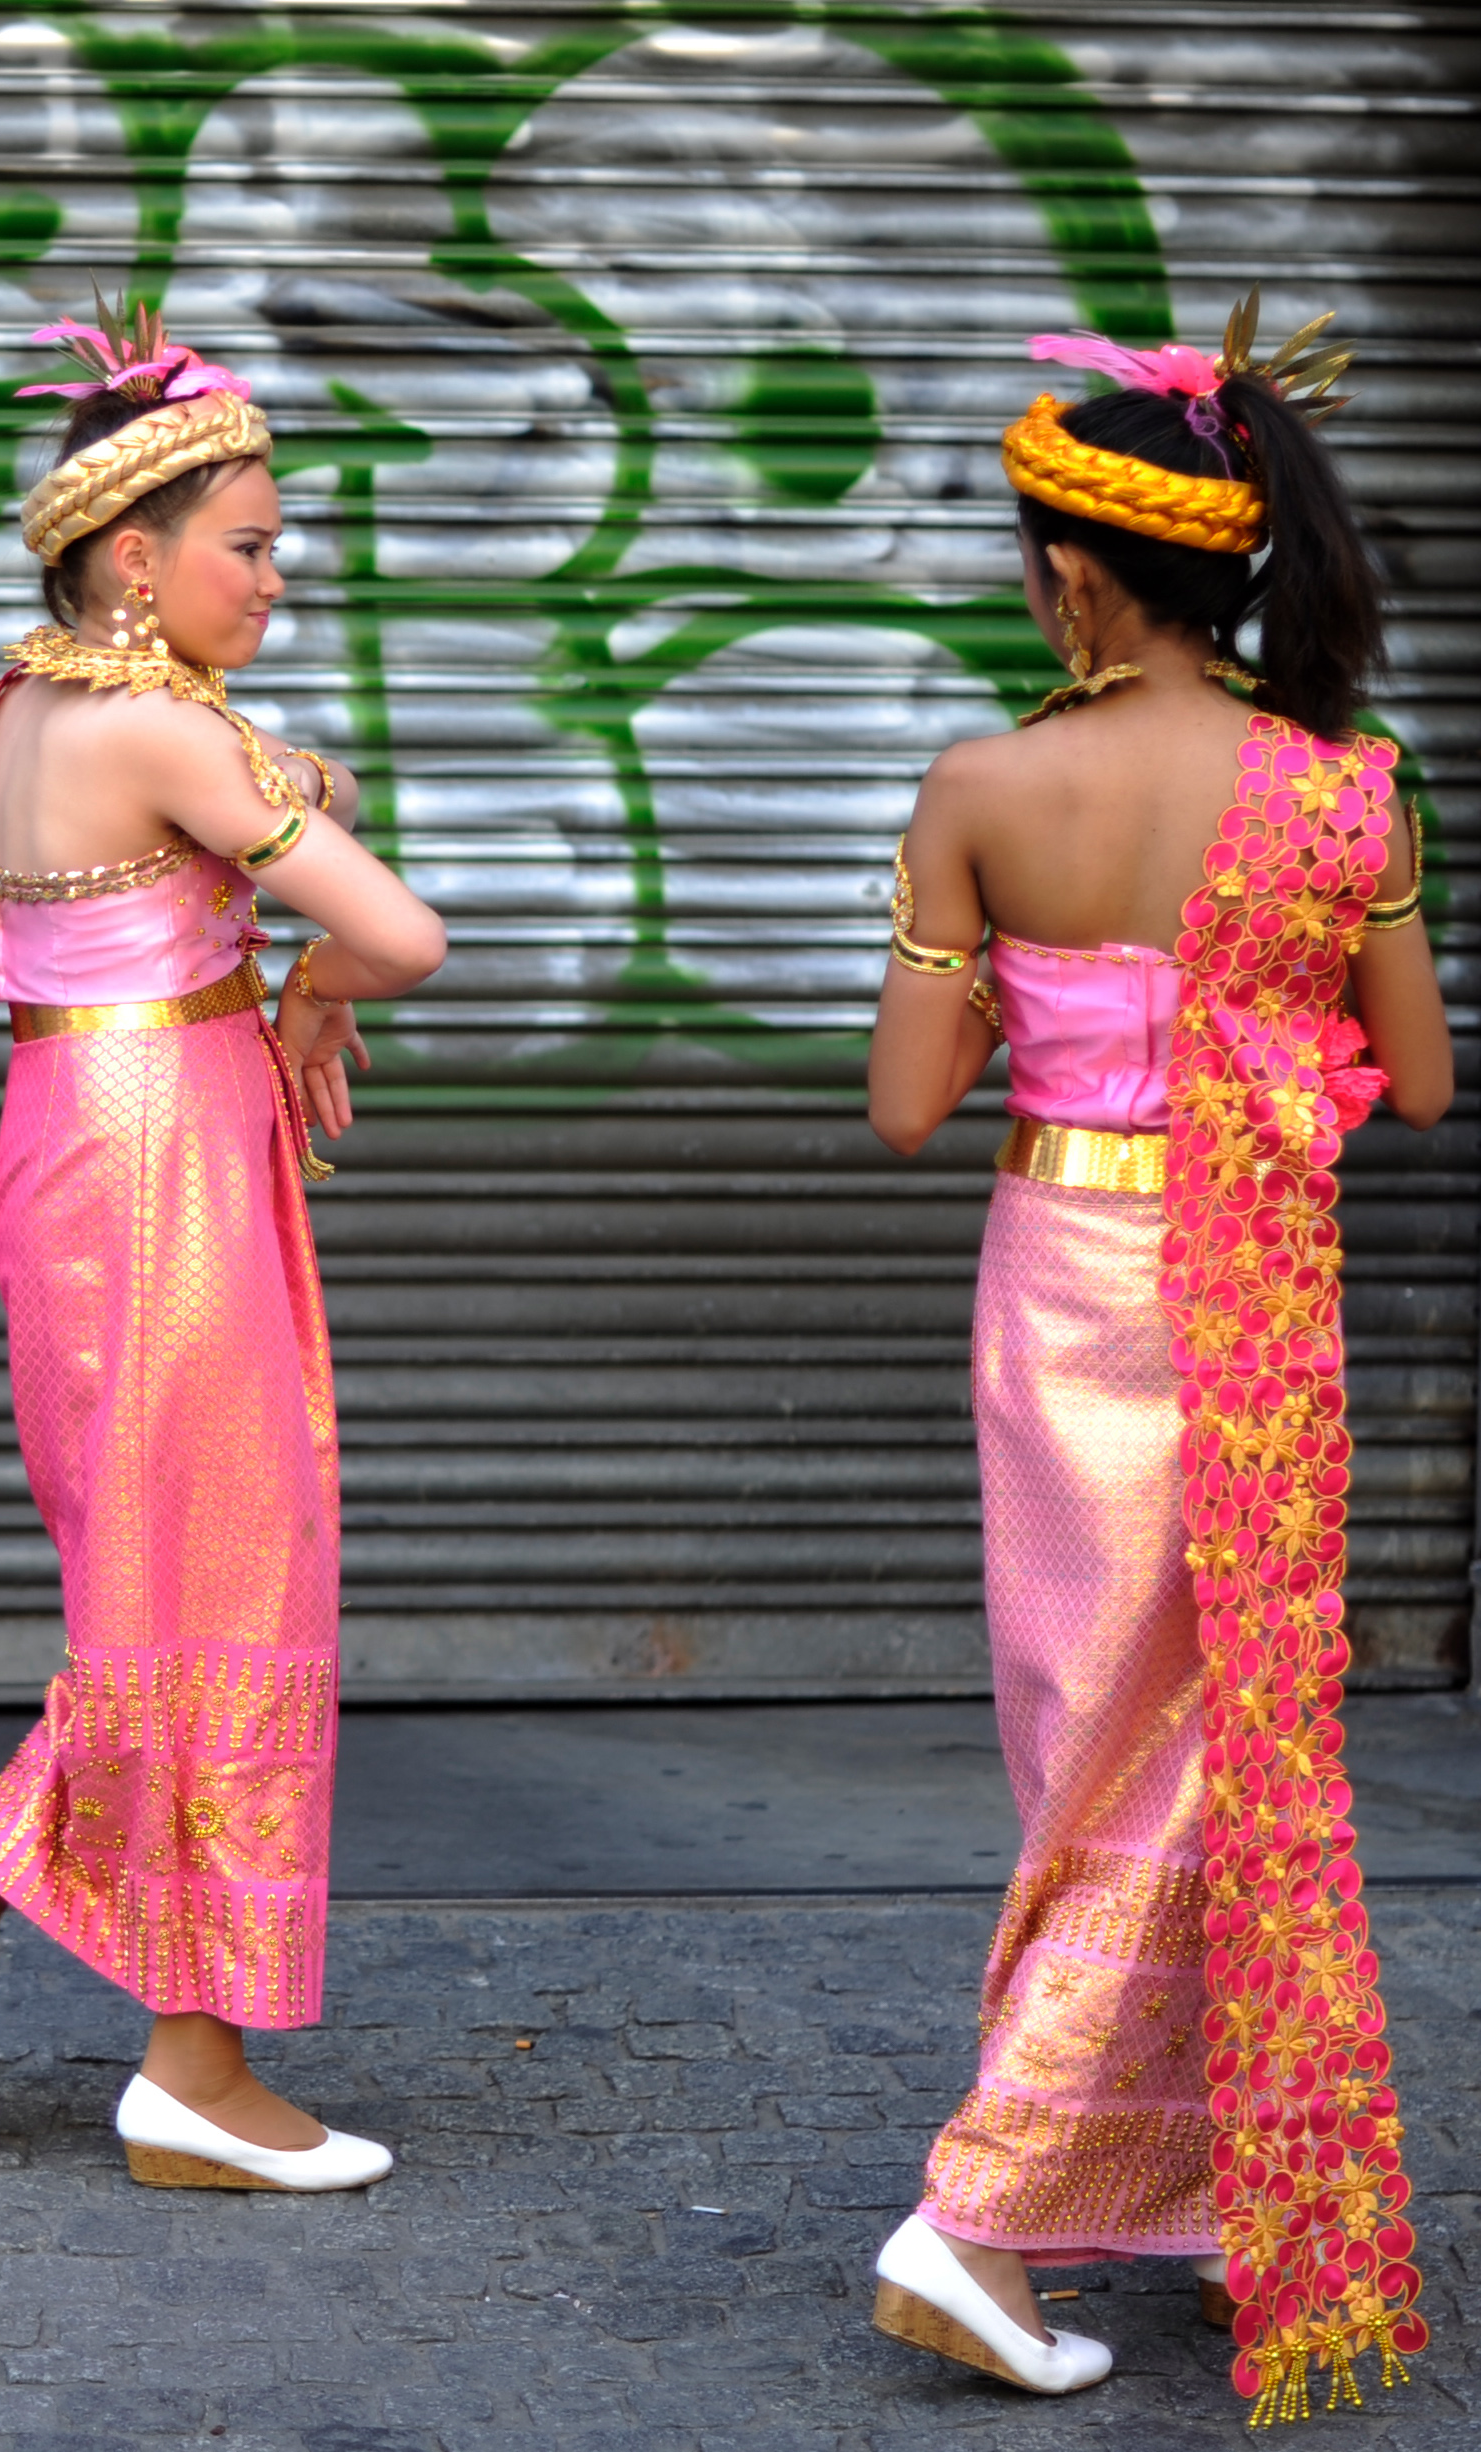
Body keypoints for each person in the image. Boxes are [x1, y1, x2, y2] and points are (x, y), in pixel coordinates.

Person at [0, 310, 447, 2189]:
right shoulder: (155, 723)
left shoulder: (48, 711)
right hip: (162, 1171)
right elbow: (405, 929)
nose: (281, 571)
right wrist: (320, 985)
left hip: (106, 1147)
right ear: (135, 559)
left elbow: (279, 822)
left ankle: (168, 2048)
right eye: (250, 540)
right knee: (210, 1598)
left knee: (189, 1599)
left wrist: (281, 960)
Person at [862, 303, 1446, 2414]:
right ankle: (1007, 2196)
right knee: (1210, 1747)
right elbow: (1431, 1080)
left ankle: (1104, 2187)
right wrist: (1260, 1056)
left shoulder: (984, 784)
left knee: (1090, 1735)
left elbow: (908, 1106)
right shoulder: (1349, 789)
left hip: (1056, 1277)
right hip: (1255, 1301)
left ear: (1083, 575)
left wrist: (987, 956)